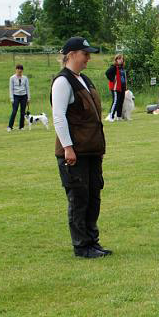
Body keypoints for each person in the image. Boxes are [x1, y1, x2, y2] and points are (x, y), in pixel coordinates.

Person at [51, 37, 111, 259]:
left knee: (94, 196)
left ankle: (92, 241)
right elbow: (58, 117)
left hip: (91, 150)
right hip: (74, 153)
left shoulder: (84, 79)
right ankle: (81, 245)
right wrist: (68, 147)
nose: (88, 58)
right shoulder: (63, 82)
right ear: (72, 54)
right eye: (85, 54)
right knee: (79, 198)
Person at [8, 64, 31, 131]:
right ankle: (10, 127)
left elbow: (27, 88)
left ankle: (21, 127)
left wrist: (28, 98)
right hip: (16, 96)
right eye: (18, 69)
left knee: (22, 112)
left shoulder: (25, 78)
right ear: (16, 70)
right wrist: (11, 98)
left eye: (21, 69)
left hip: (24, 96)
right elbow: (11, 89)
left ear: (22, 70)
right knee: (14, 111)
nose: (19, 71)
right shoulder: (12, 78)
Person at [105, 54, 127, 121]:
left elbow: (124, 77)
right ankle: (111, 117)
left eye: (122, 59)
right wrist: (112, 80)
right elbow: (107, 73)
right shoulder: (114, 67)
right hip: (115, 87)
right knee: (115, 101)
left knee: (121, 101)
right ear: (116, 60)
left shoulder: (122, 68)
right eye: (119, 59)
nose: (121, 60)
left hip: (122, 87)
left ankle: (119, 117)